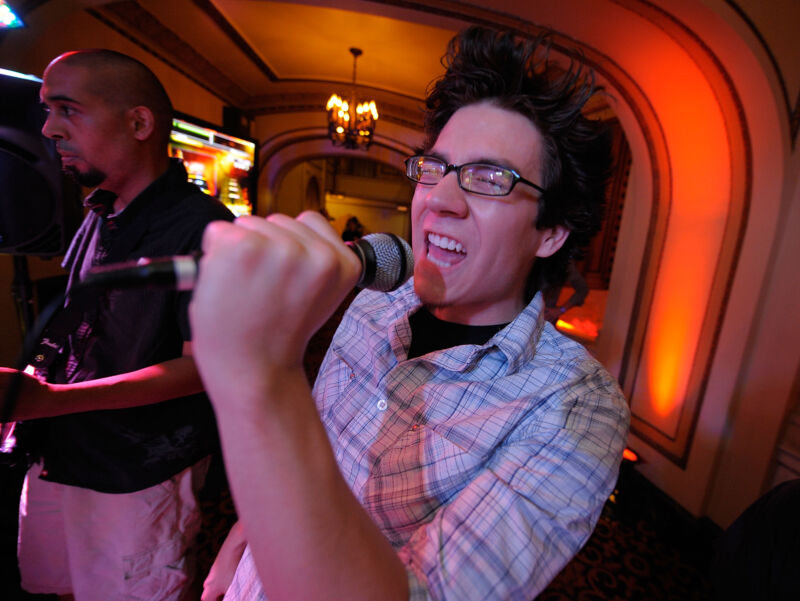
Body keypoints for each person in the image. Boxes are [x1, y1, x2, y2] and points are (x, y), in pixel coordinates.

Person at [191, 26, 630, 601]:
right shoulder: (376, 300)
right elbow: (322, 447)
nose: (438, 200)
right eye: (436, 168)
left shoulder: (577, 405)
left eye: (490, 178)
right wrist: (249, 531)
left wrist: (266, 381)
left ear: (550, 233)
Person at [0, 49, 234, 600]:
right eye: (45, 110)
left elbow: (204, 368)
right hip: (62, 451)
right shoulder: (100, 208)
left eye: (66, 109)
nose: (49, 128)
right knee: (54, 588)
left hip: (134, 472)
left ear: (138, 123)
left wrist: (51, 399)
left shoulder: (206, 228)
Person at [542, 259, 589, 323]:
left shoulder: (562, 261)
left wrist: (561, 310)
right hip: (526, 312)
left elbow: (582, 289)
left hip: (546, 317)